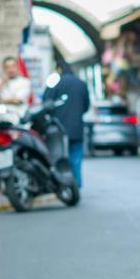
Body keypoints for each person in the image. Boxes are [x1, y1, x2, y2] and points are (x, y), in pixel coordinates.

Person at [43, 61, 90, 189]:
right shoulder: (81, 84)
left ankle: (64, 184)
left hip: (58, 130)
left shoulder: (55, 83)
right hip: (77, 128)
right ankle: (76, 185)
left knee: (61, 157)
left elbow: (46, 103)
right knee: (76, 158)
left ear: (59, 70)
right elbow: (86, 106)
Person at [0, 56, 32, 123]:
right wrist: (2, 83)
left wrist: (0, 100)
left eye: (13, 66)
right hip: (0, 117)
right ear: (4, 69)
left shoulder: (24, 82)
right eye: (7, 67)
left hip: (18, 117)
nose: (11, 70)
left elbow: (18, 100)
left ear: (17, 67)